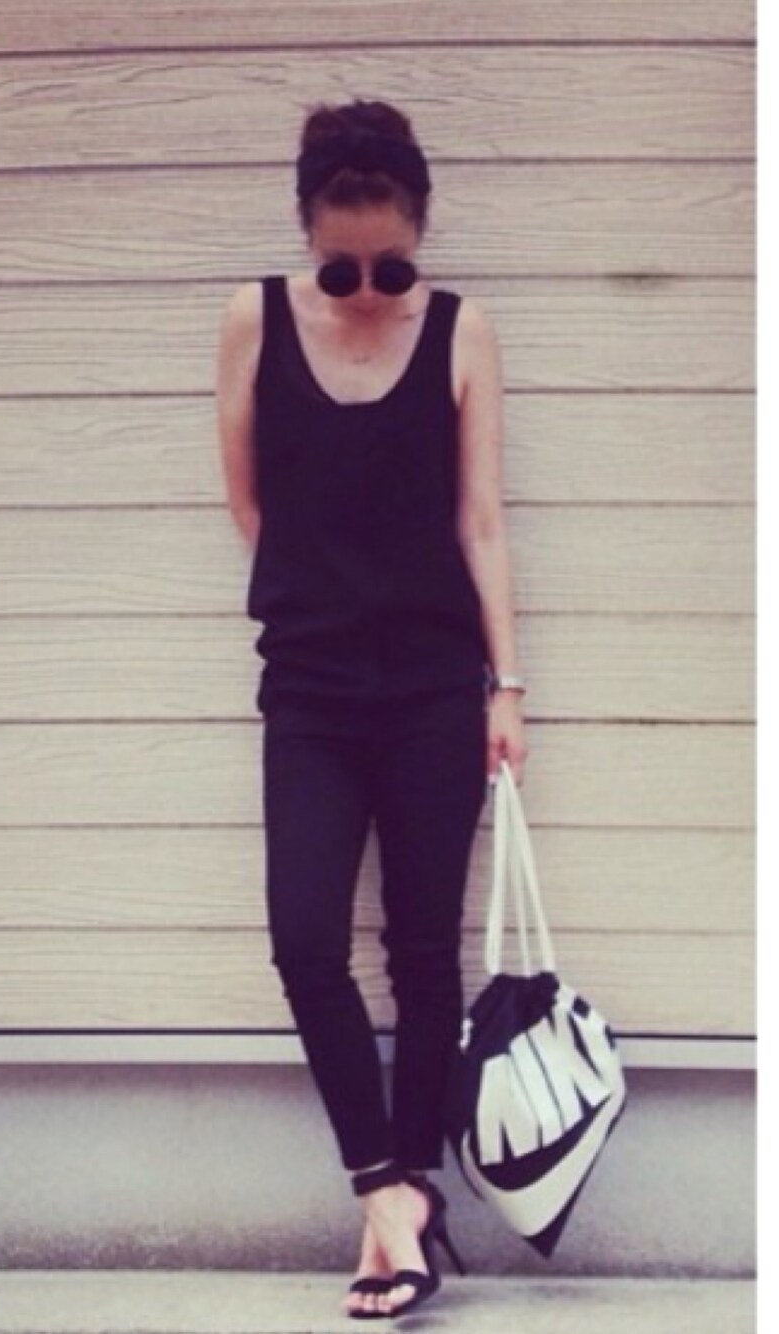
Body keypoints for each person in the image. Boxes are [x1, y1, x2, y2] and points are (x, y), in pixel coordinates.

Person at [215, 97, 528, 1318]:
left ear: (419, 232)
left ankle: (400, 1208)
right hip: (309, 685)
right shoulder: (253, 318)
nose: (362, 288)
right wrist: (326, 597)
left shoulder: (460, 330)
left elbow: (480, 522)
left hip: (436, 689)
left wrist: (505, 685)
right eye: (338, 266)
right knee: (305, 937)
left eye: (388, 266)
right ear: (306, 231)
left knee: (421, 949)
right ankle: (387, 1186)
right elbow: (250, 503)